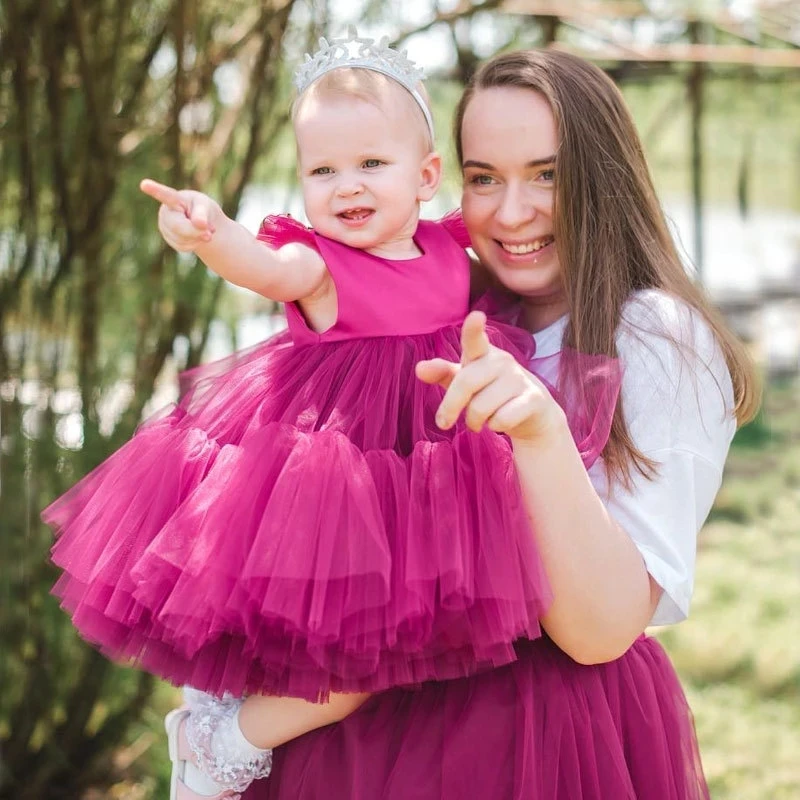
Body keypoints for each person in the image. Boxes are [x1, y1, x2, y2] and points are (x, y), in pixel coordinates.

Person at [42, 35, 620, 800]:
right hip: (341, 471)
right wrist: (214, 236)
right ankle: (221, 742)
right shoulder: (320, 263)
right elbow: (266, 268)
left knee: (403, 658)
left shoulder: (451, 252)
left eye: (371, 166)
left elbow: (524, 267)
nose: (347, 187)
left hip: (431, 475)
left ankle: (242, 721)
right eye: (323, 170)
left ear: (426, 177)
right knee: (351, 673)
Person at [234, 49, 758, 800]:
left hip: (540, 738)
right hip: (369, 724)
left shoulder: (654, 336)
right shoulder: (449, 308)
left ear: (603, 175)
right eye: (483, 178)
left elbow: (601, 629)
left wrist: (540, 434)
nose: (511, 213)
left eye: (547, 173)